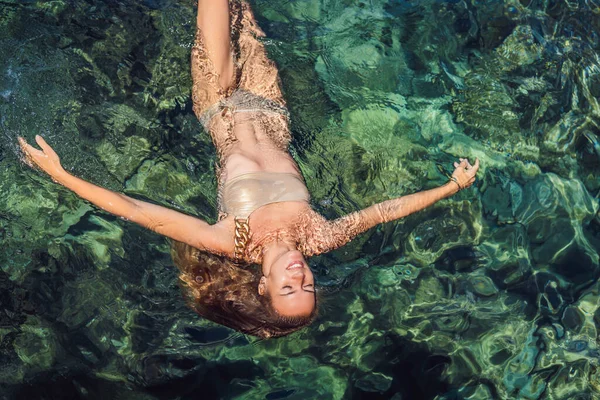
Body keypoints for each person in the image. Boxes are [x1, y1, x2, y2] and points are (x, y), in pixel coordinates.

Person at [18, 0, 479, 338]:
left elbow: (137, 211)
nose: (300, 274)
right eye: (308, 284)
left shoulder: (230, 239)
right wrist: (449, 187)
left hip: (218, 100)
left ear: (263, 285)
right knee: (243, 9)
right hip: (269, 101)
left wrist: (62, 176)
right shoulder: (320, 235)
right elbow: (384, 211)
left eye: (288, 286)